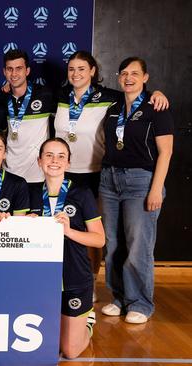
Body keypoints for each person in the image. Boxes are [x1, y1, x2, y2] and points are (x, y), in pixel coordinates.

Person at [54, 50, 169, 301]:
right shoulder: (60, 96)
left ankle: (91, 284)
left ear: (93, 71)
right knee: (80, 232)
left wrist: (157, 94)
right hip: (65, 174)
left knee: (96, 233)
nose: (76, 73)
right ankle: (88, 286)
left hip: (96, 173)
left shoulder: (110, 97)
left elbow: (137, 95)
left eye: (82, 68)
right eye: (72, 69)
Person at [99, 57, 174, 324]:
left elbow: (165, 152)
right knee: (113, 244)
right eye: (124, 74)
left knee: (138, 245)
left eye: (135, 73)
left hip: (141, 182)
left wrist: (156, 190)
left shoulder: (156, 107)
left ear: (145, 77)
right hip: (109, 181)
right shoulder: (113, 107)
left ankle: (140, 303)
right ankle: (119, 298)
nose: (128, 78)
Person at [29, 138, 105, 359]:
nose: (54, 161)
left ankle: (87, 322)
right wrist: (26, 224)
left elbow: (99, 240)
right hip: (40, 280)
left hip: (75, 278)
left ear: (69, 163)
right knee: (46, 347)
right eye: (49, 155)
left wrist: (69, 231)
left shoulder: (81, 194)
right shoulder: (30, 192)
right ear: (39, 161)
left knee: (70, 351)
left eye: (61, 156)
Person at [0, 49, 55, 187]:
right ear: (4, 72)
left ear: (27, 71)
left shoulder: (45, 94)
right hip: (9, 173)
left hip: (38, 175)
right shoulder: (1, 98)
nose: (14, 74)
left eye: (19, 68)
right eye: (10, 69)